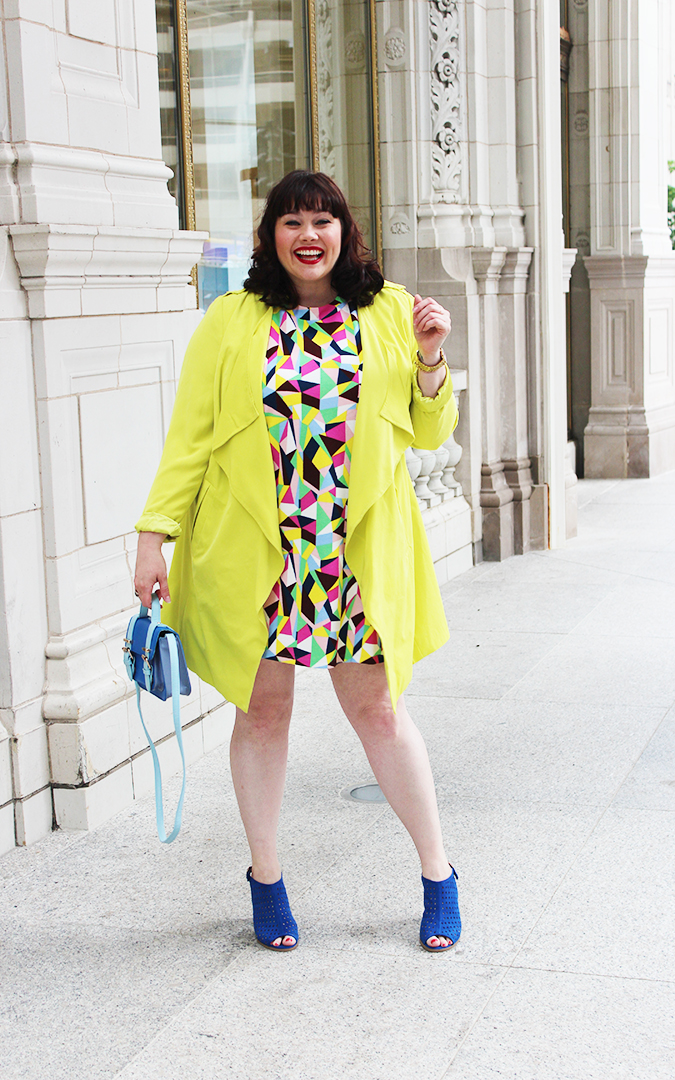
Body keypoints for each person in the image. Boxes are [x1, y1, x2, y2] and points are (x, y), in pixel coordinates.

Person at [134, 170, 461, 953]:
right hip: (260, 555)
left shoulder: (387, 312)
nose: (307, 235)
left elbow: (427, 434)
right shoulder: (231, 320)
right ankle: (267, 879)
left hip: (350, 558)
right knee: (264, 713)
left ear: (345, 232)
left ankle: (438, 874)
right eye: (291, 221)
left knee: (379, 714)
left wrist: (428, 361)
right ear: (269, 236)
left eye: (322, 220)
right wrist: (154, 534)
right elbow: (191, 440)